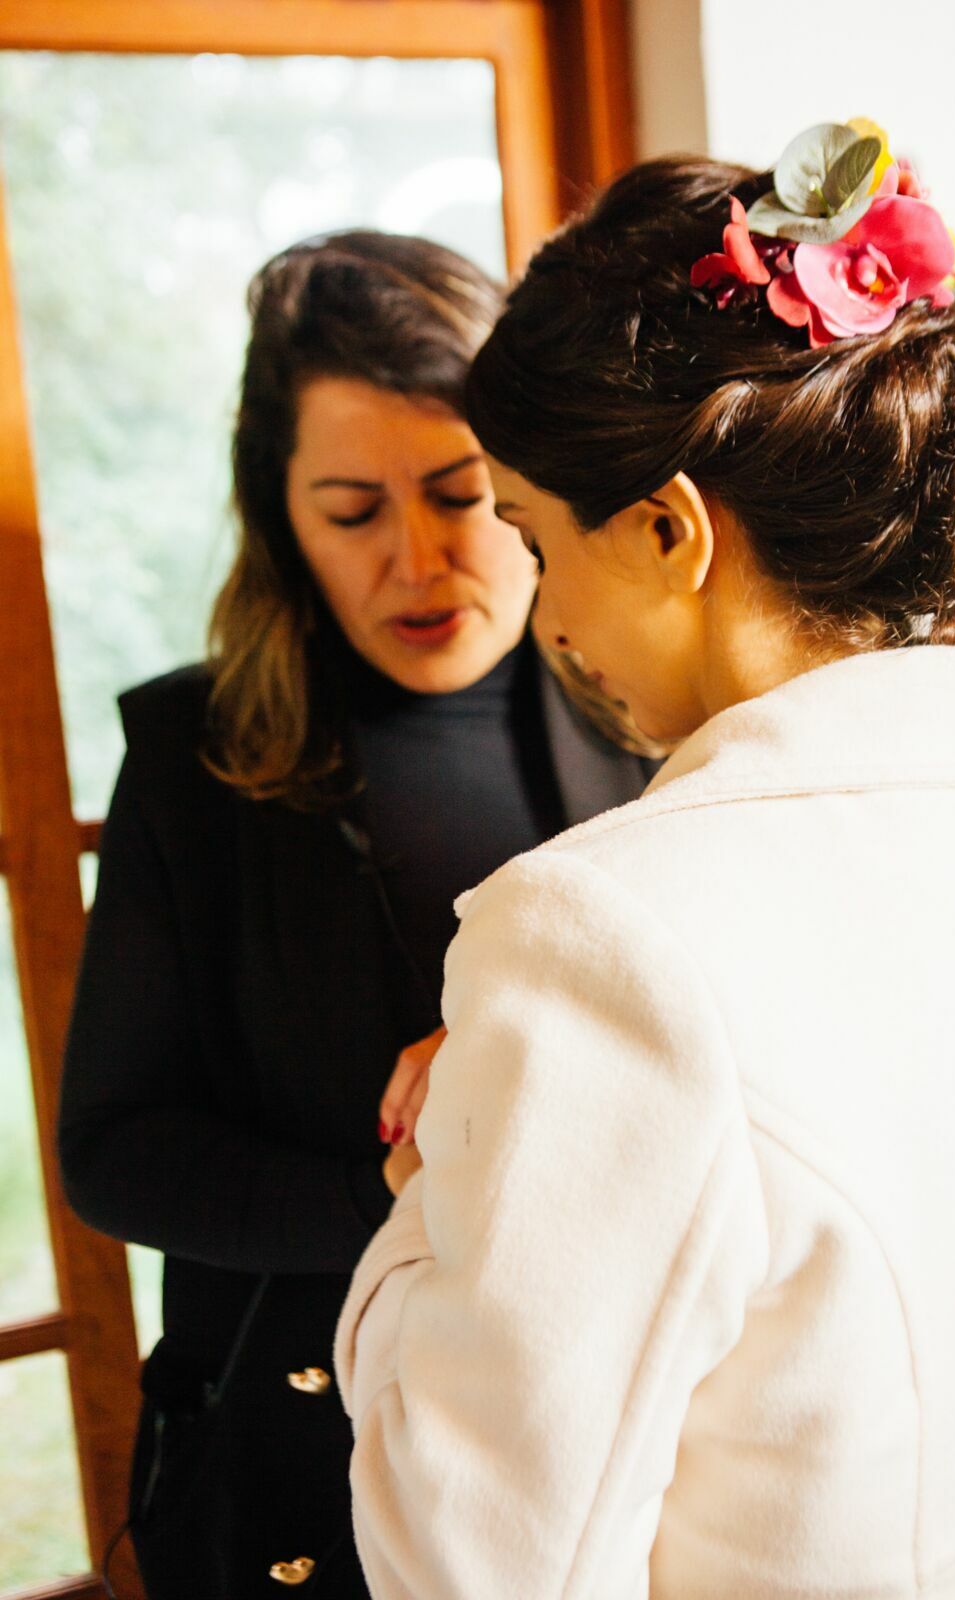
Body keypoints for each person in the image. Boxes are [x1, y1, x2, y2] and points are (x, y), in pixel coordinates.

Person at [334, 129, 955, 1597]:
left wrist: (444, 1178)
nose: (548, 620)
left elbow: (477, 1567)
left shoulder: (605, 944)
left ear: (669, 532)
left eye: (540, 543)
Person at [57, 230, 654, 1599]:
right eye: (352, 512)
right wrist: (384, 1190)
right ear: (281, 520)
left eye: (461, 495)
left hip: (590, 1434)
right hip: (291, 1446)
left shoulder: (652, 718)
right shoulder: (195, 755)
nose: (421, 560)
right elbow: (112, 1151)